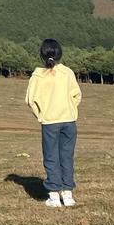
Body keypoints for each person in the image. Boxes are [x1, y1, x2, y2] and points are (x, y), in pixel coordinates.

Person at [25, 38, 82, 208]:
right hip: (69, 121)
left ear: (42, 55)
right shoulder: (68, 73)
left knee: (51, 158)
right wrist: (70, 108)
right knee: (66, 157)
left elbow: (30, 100)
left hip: (50, 122)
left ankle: (54, 195)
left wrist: (41, 115)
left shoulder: (37, 75)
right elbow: (77, 95)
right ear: (60, 54)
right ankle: (68, 194)